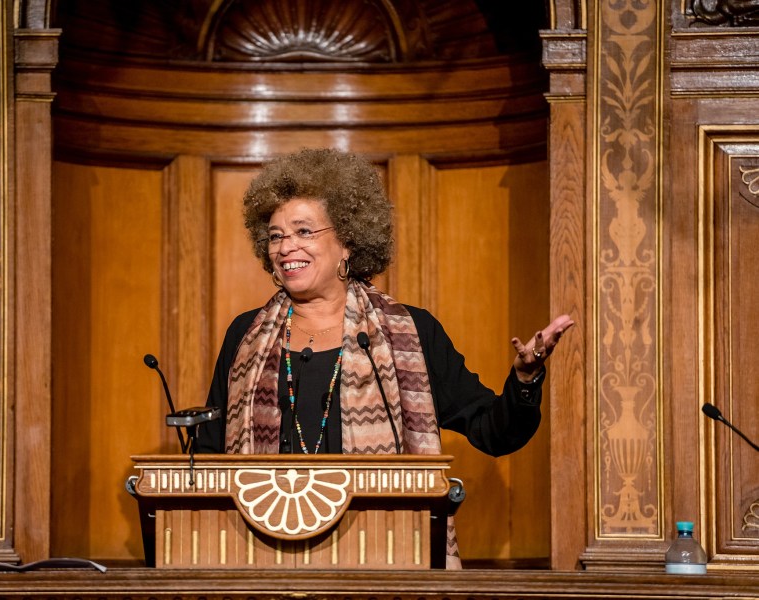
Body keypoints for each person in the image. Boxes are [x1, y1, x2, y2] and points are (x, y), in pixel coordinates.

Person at [198, 147, 573, 459]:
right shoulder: (245, 335)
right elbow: (211, 449)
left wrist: (525, 379)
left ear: (348, 241)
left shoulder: (411, 332)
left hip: (379, 540)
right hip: (262, 540)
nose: (285, 247)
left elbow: (493, 432)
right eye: (276, 236)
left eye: (304, 231)